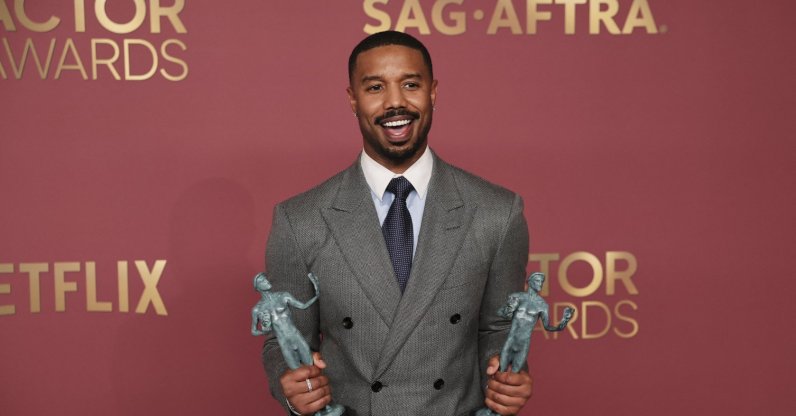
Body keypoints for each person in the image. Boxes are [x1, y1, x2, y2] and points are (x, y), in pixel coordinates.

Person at [262, 30, 533, 415]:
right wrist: (290, 387)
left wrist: (507, 377)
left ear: (433, 92)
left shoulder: (497, 212)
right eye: (375, 87)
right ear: (352, 99)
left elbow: (498, 328)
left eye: (410, 85)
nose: (395, 102)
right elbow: (284, 339)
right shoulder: (300, 219)